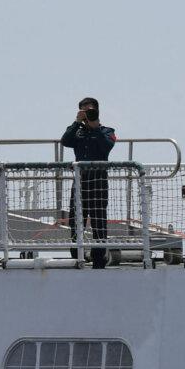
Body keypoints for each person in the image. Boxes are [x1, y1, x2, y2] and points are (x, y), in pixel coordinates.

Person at [61, 97, 117, 268]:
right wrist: (76, 122)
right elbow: (65, 141)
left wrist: (95, 127)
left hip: (98, 180)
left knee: (99, 221)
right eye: (84, 111)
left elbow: (107, 146)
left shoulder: (107, 131)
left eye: (90, 110)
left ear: (97, 111)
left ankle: (99, 260)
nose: (88, 114)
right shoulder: (77, 131)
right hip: (80, 181)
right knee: (75, 220)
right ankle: (77, 257)